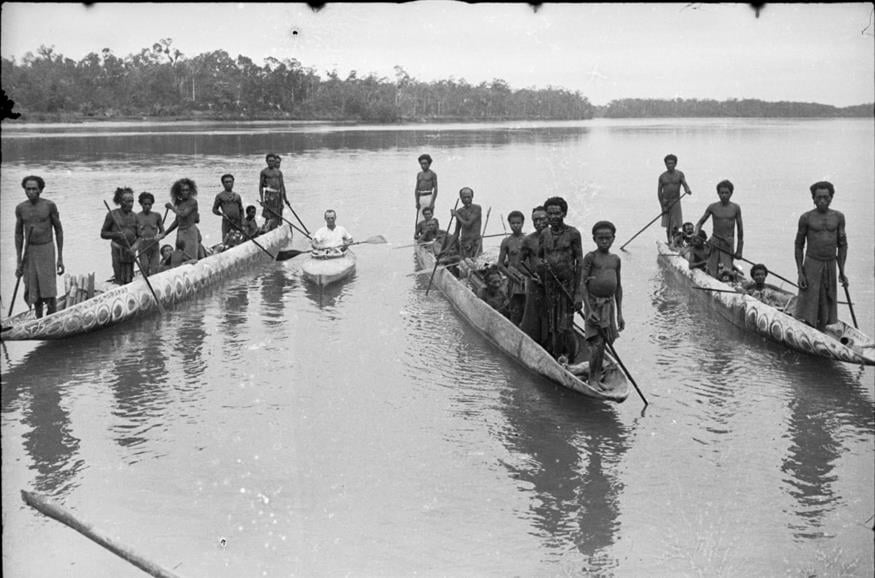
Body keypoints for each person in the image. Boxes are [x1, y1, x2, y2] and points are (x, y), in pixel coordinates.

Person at [793, 181, 848, 331]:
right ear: (813, 199)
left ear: (831, 198)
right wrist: (800, 273)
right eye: (819, 197)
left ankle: (821, 330)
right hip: (811, 264)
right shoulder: (806, 218)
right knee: (809, 302)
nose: (822, 200)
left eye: (826, 197)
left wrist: (842, 271)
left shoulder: (838, 217)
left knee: (826, 302)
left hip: (830, 264)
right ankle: (808, 330)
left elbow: (842, 244)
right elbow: (798, 245)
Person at [538, 196, 583, 361]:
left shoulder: (573, 234)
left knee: (567, 327)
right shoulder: (544, 234)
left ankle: (571, 359)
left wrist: (578, 293)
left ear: (563, 213)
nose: (553, 217)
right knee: (554, 327)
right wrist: (542, 270)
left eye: (557, 213)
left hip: (568, 287)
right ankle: (558, 357)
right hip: (550, 286)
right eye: (550, 214)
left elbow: (580, 263)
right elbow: (540, 257)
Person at [14, 175, 64, 318]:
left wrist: (60, 258)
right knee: (33, 288)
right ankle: (38, 318)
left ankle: (52, 317)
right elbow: (18, 234)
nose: (30, 192)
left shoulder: (49, 206)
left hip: (46, 249)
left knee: (48, 288)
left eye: (34, 189)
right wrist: (19, 261)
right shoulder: (20, 208)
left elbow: (59, 231)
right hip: (30, 252)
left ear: (40, 190)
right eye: (28, 189)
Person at [581, 221, 625, 384]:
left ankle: (596, 376)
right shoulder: (590, 258)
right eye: (601, 238)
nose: (604, 241)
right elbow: (582, 284)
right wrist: (589, 309)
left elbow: (618, 287)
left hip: (609, 306)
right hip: (594, 305)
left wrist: (620, 313)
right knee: (596, 343)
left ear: (613, 239)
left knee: (605, 341)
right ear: (594, 239)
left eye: (608, 238)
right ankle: (593, 380)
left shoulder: (615, 259)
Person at [695, 179, 743, 279]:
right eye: (721, 193)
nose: (724, 195)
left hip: (728, 243)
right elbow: (699, 223)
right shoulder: (713, 207)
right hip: (715, 241)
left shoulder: (735, 208)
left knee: (727, 270)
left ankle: (728, 280)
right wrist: (696, 234)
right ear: (718, 193)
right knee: (712, 270)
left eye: (726, 193)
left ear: (731, 193)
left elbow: (740, 231)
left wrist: (739, 250)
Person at [519, 206, 549, 343]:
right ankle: (532, 341)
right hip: (534, 283)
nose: (538, 223)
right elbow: (519, 263)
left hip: (552, 284)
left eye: (541, 219)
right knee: (532, 314)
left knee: (550, 315)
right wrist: (531, 276)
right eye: (535, 220)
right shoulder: (529, 240)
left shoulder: (557, 238)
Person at [101, 187, 139, 285]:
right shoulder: (112, 215)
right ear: (121, 202)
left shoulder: (135, 216)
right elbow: (103, 233)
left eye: (132, 201)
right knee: (118, 276)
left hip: (130, 251)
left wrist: (134, 247)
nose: (130, 204)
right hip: (117, 249)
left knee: (129, 277)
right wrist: (116, 234)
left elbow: (140, 237)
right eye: (128, 201)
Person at [161, 178, 205, 261]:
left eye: (187, 190)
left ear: (190, 191)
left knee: (190, 258)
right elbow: (177, 221)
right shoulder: (179, 204)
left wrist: (171, 207)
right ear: (179, 192)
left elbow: (184, 214)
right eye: (183, 190)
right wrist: (165, 233)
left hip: (190, 232)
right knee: (179, 258)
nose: (185, 192)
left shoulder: (193, 202)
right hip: (180, 233)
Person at [496, 210, 527, 324]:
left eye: (518, 223)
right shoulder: (507, 241)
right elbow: (500, 265)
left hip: (526, 277)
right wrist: (513, 278)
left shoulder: (527, 240)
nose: (516, 226)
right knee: (515, 307)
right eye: (513, 223)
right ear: (509, 224)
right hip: (513, 277)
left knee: (527, 306)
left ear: (523, 223)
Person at [658, 154, 693, 243]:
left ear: (675, 164)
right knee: (669, 224)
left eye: (672, 163)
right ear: (665, 164)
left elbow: (685, 184)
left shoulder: (680, 174)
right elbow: (659, 192)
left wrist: (687, 189)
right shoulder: (662, 177)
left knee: (675, 224)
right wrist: (663, 207)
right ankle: (669, 241)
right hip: (666, 202)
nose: (670, 165)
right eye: (668, 163)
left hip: (676, 201)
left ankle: (676, 242)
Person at [136, 191, 164, 276]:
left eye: (149, 204)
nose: (147, 206)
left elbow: (163, 232)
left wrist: (160, 236)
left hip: (154, 245)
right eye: (145, 204)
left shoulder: (157, 216)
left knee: (155, 269)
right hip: (142, 247)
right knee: (145, 267)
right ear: (141, 204)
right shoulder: (136, 217)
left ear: (152, 204)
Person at [451, 187, 483, 259]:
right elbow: (456, 233)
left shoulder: (477, 208)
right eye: (464, 197)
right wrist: (446, 249)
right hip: (464, 244)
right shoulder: (460, 211)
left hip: (475, 243)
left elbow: (468, 224)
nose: (466, 200)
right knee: (464, 267)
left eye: (469, 197)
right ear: (461, 198)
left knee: (476, 265)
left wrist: (456, 215)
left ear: (472, 197)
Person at [259, 153, 288, 231]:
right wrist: (262, 200)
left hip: (278, 196)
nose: (271, 162)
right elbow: (261, 187)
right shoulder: (264, 172)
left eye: (272, 161)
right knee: (269, 215)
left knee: (278, 214)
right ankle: (267, 229)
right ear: (266, 161)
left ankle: (276, 229)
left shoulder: (279, 172)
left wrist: (285, 199)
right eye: (269, 161)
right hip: (269, 196)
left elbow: (282, 186)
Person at [213, 173, 244, 241]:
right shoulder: (220, 196)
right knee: (226, 239)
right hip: (227, 221)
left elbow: (241, 209)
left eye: (230, 182)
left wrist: (243, 222)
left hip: (237, 221)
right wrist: (221, 214)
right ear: (223, 184)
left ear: (233, 183)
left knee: (238, 239)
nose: (228, 184)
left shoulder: (237, 196)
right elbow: (214, 209)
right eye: (226, 182)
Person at [414, 153, 438, 225]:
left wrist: (432, 202)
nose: (423, 165)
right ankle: (419, 234)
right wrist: (417, 202)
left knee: (428, 217)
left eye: (425, 163)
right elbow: (416, 189)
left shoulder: (432, 174)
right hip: (421, 198)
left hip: (428, 197)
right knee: (419, 219)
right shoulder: (419, 174)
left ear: (429, 164)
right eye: (421, 164)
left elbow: (436, 189)